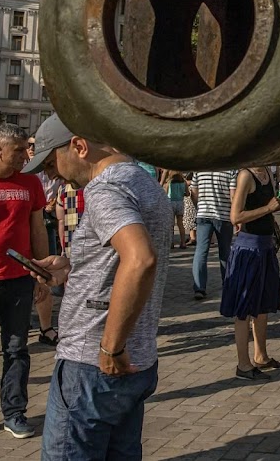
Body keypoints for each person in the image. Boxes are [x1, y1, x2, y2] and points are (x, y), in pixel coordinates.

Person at [24, 114, 173, 458]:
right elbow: (122, 261)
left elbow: (140, 259)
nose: (51, 174)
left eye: (50, 162)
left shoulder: (105, 188)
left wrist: (111, 347)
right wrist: (70, 268)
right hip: (137, 360)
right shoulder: (143, 181)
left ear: (79, 146)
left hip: (92, 365)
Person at [0, 123, 48, 439]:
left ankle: (14, 413)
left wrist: (41, 272)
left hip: (19, 279)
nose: (26, 155)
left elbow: (37, 230)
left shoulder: (31, 183)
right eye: (19, 150)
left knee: (16, 348)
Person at [221, 166, 280, 380]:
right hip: (248, 251)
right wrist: (268, 208)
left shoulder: (267, 173)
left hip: (265, 248)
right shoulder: (245, 176)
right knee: (244, 309)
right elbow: (235, 216)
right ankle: (243, 364)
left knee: (262, 305)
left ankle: (261, 356)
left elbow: (266, 207)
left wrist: (276, 209)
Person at [28, 136, 62, 339]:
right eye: (28, 145)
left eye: (34, 145)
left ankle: (45, 327)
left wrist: (52, 202)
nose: (30, 148)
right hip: (32, 223)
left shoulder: (48, 168)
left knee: (44, 273)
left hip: (47, 221)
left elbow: (62, 188)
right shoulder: (23, 172)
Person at [190, 170, 236, 301]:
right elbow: (233, 197)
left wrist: (199, 206)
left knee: (201, 252)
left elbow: (193, 192)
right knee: (225, 252)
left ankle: (199, 287)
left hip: (203, 214)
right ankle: (228, 284)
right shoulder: (231, 170)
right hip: (224, 215)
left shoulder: (200, 170)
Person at [160, 170, 189, 249]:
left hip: (171, 203)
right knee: (180, 224)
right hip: (180, 203)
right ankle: (183, 242)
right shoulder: (184, 183)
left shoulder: (169, 183)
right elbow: (187, 194)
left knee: (171, 224)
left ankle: (171, 243)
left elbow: (165, 194)